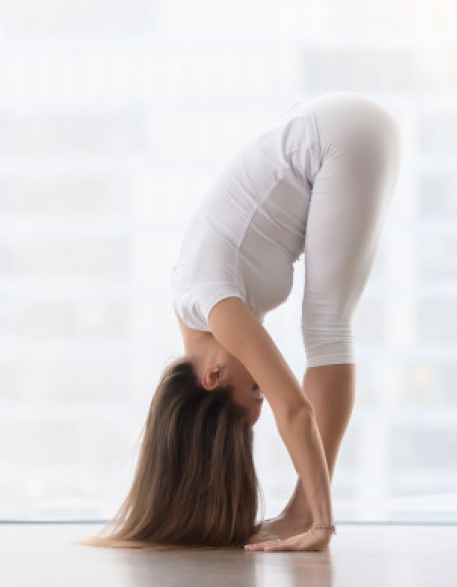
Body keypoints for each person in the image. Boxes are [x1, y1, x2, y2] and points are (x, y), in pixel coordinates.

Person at [84, 92, 401, 552]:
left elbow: (295, 408)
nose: (263, 389)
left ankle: (306, 515)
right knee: (324, 321)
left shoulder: (214, 303)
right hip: (331, 128)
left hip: (338, 137)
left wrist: (323, 528)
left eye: (253, 391)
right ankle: (303, 512)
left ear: (213, 375)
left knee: (326, 324)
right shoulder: (200, 316)